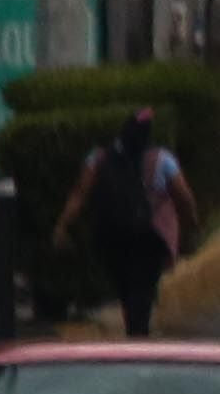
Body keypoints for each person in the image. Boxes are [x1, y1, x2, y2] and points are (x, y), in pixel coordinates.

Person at [54, 106, 200, 339]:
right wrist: (191, 226)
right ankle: (138, 333)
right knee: (143, 289)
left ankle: (134, 328)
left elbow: (80, 193)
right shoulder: (161, 159)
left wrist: (62, 226)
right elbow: (183, 197)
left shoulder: (98, 157)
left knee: (125, 287)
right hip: (149, 237)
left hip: (112, 237)